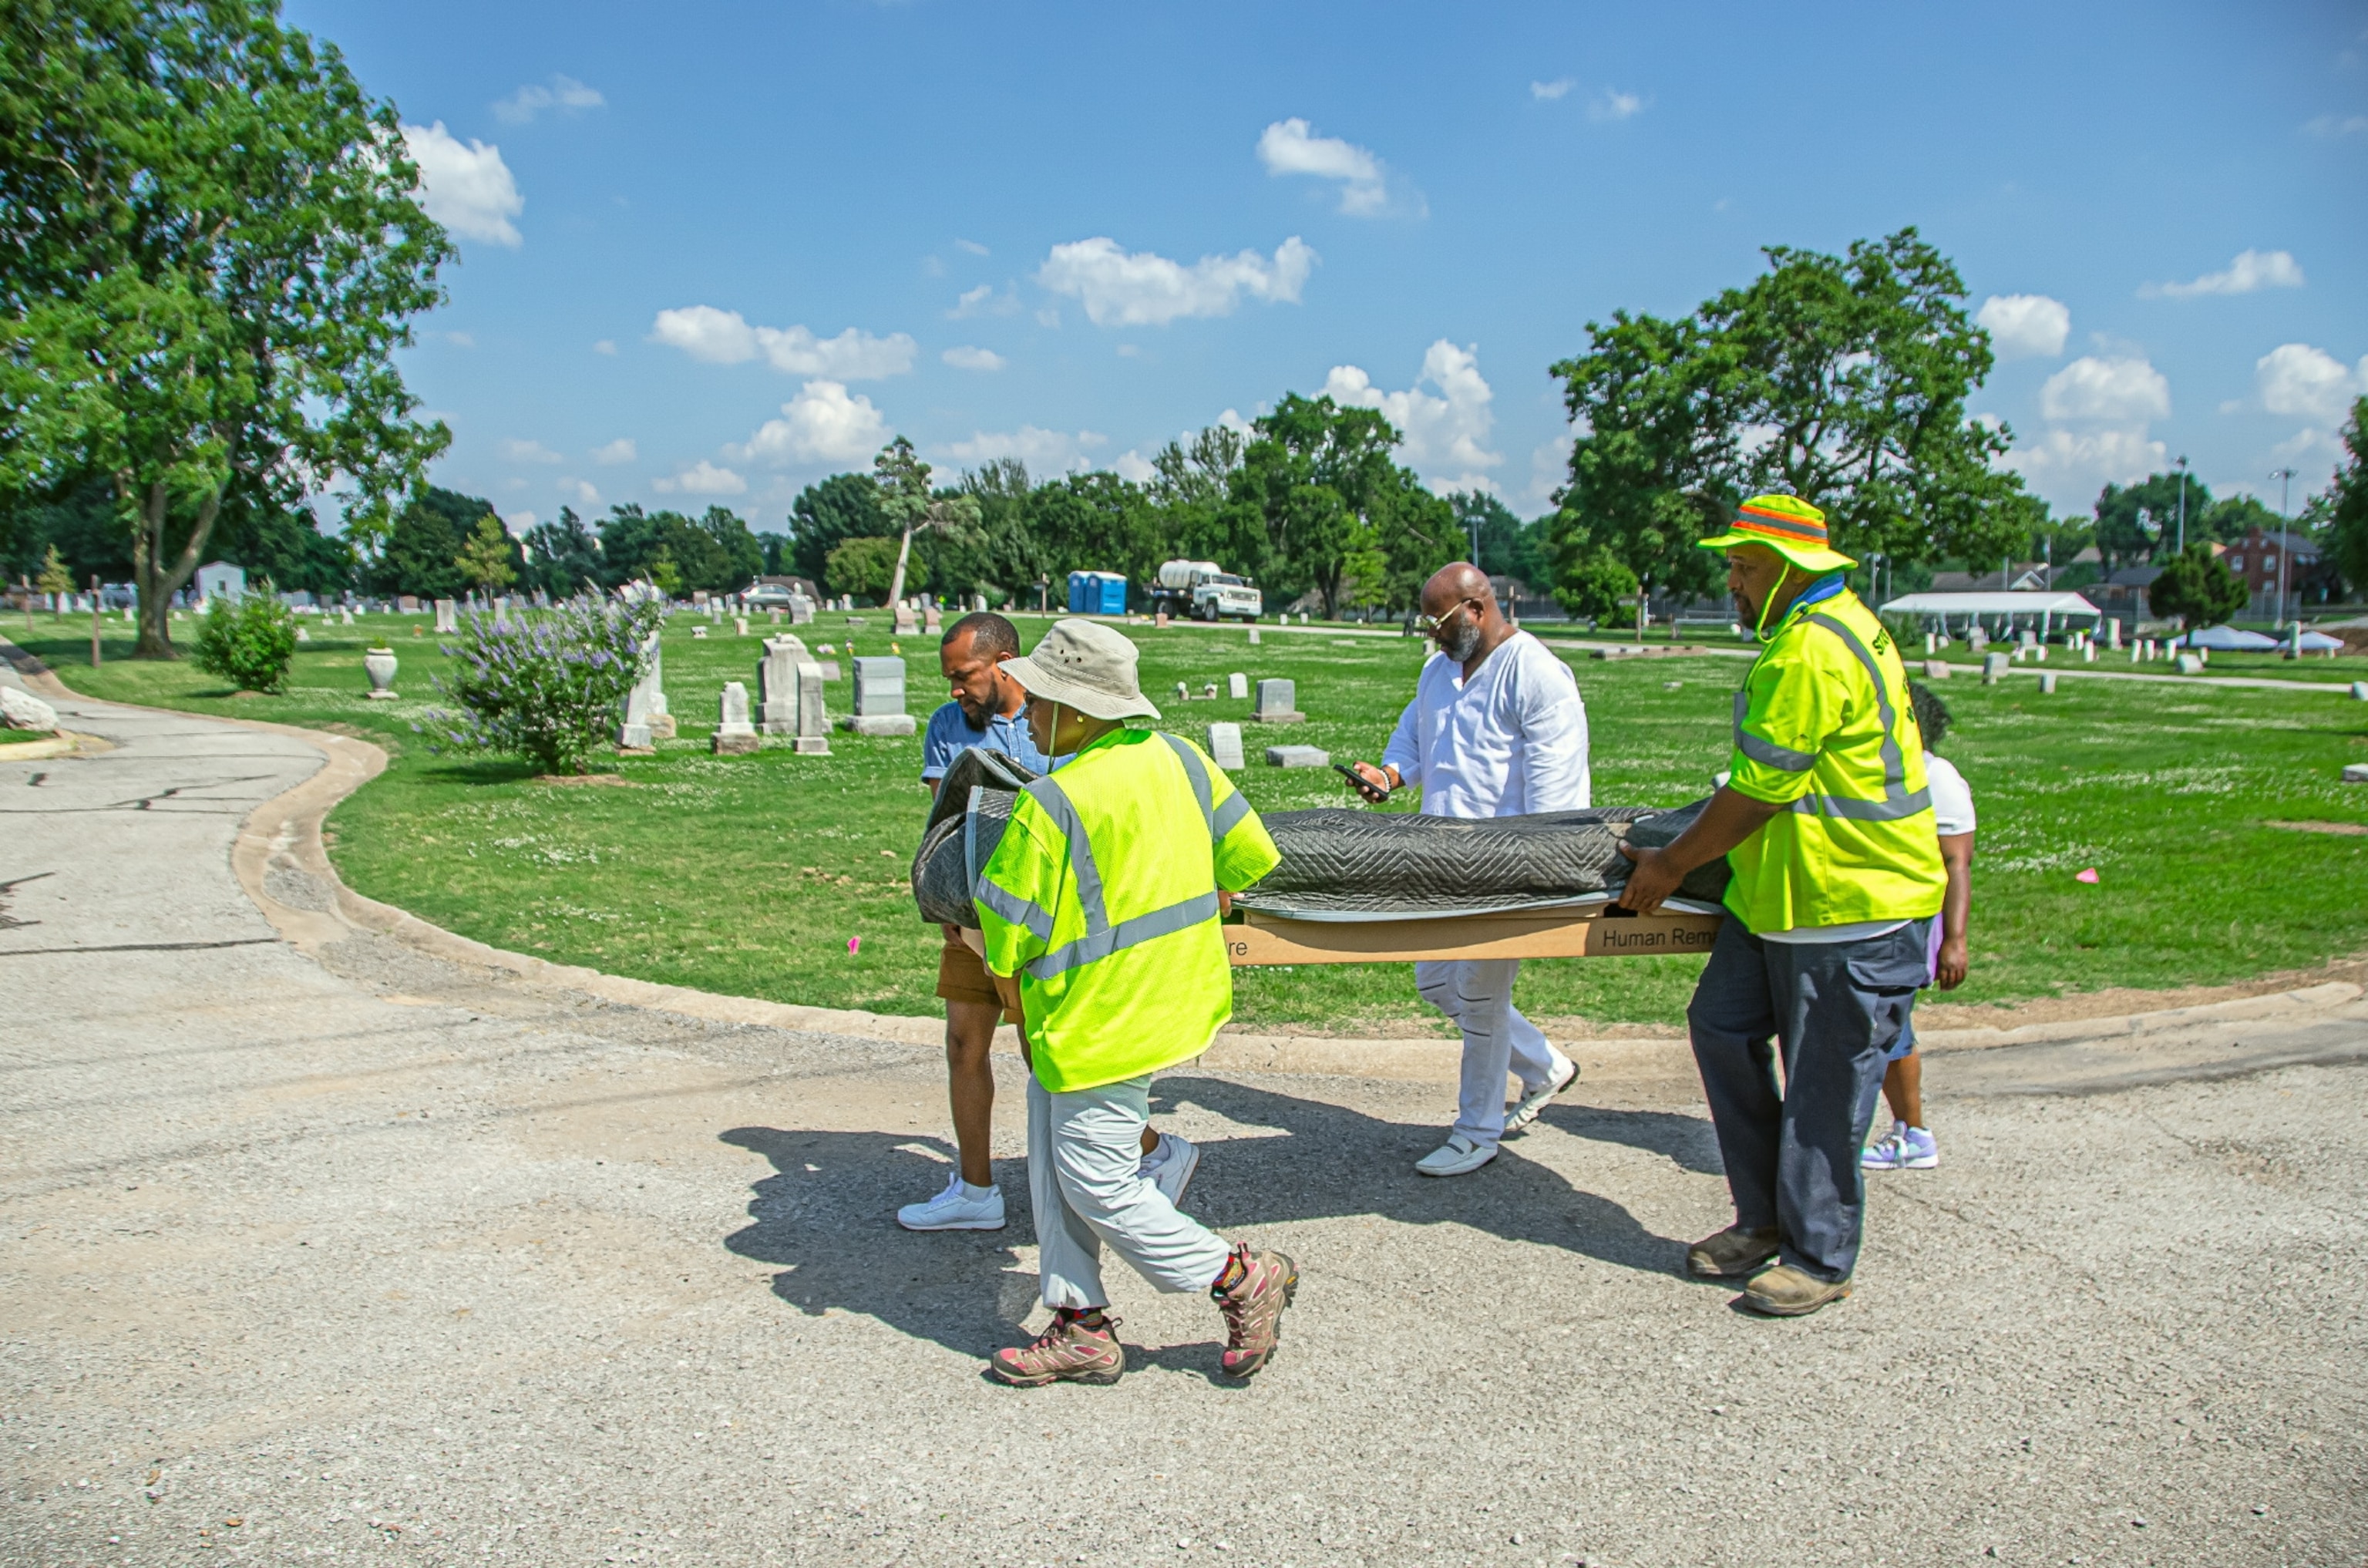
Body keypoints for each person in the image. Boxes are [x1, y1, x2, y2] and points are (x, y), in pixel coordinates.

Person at [1615, 495, 1945, 1317]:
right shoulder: (1826, 628)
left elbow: (1761, 792)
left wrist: (1672, 864)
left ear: (1790, 571)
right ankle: (1763, 1220)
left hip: (1852, 905)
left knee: (1826, 1085)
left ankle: (1819, 1257)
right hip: (1782, 902)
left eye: (1744, 567)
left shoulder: (1810, 651)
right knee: (1721, 1028)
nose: (1731, 581)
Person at [974, 618, 1297, 1386]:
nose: (1028, 709)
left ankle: (1239, 1275)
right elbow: (1250, 857)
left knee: (1095, 1180)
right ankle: (1078, 1321)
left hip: (1099, 1021)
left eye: (1043, 698)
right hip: (1172, 998)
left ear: (1080, 710)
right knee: (1057, 1157)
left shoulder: (1051, 803)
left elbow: (1003, 938)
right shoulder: (1183, 761)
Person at [896, 611, 1198, 1233]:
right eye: (950, 678)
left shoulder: (1061, 718)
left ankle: (1152, 1154)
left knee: (1048, 1053)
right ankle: (975, 1191)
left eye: (966, 675)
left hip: (1051, 920)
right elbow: (947, 819)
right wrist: (955, 907)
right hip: (977, 915)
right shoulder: (947, 727)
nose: (956, 690)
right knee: (963, 1044)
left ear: (1005, 664)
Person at [1342, 562, 1591, 1178]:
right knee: (1436, 984)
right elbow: (1415, 738)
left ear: (1478, 609)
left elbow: (1559, 797)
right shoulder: (1439, 672)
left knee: (1480, 998)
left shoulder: (1536, 674)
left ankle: (1476, 1132)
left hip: (1504, 868)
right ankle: (1544, 1067)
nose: (1433, 635)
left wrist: (1540, 876)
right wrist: (1390, 774)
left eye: (1441, 622)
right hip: (1438, 863)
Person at [1862, 681, 1976, 1173]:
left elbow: (1957, 864)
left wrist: (1955, 942)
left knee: (1888, 1028)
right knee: (1884, 1026)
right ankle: (1907, 1131)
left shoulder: (1938, 778)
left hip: (1911, 923)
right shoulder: (1882, 769)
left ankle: (1913, 1132)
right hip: (1874, 917)